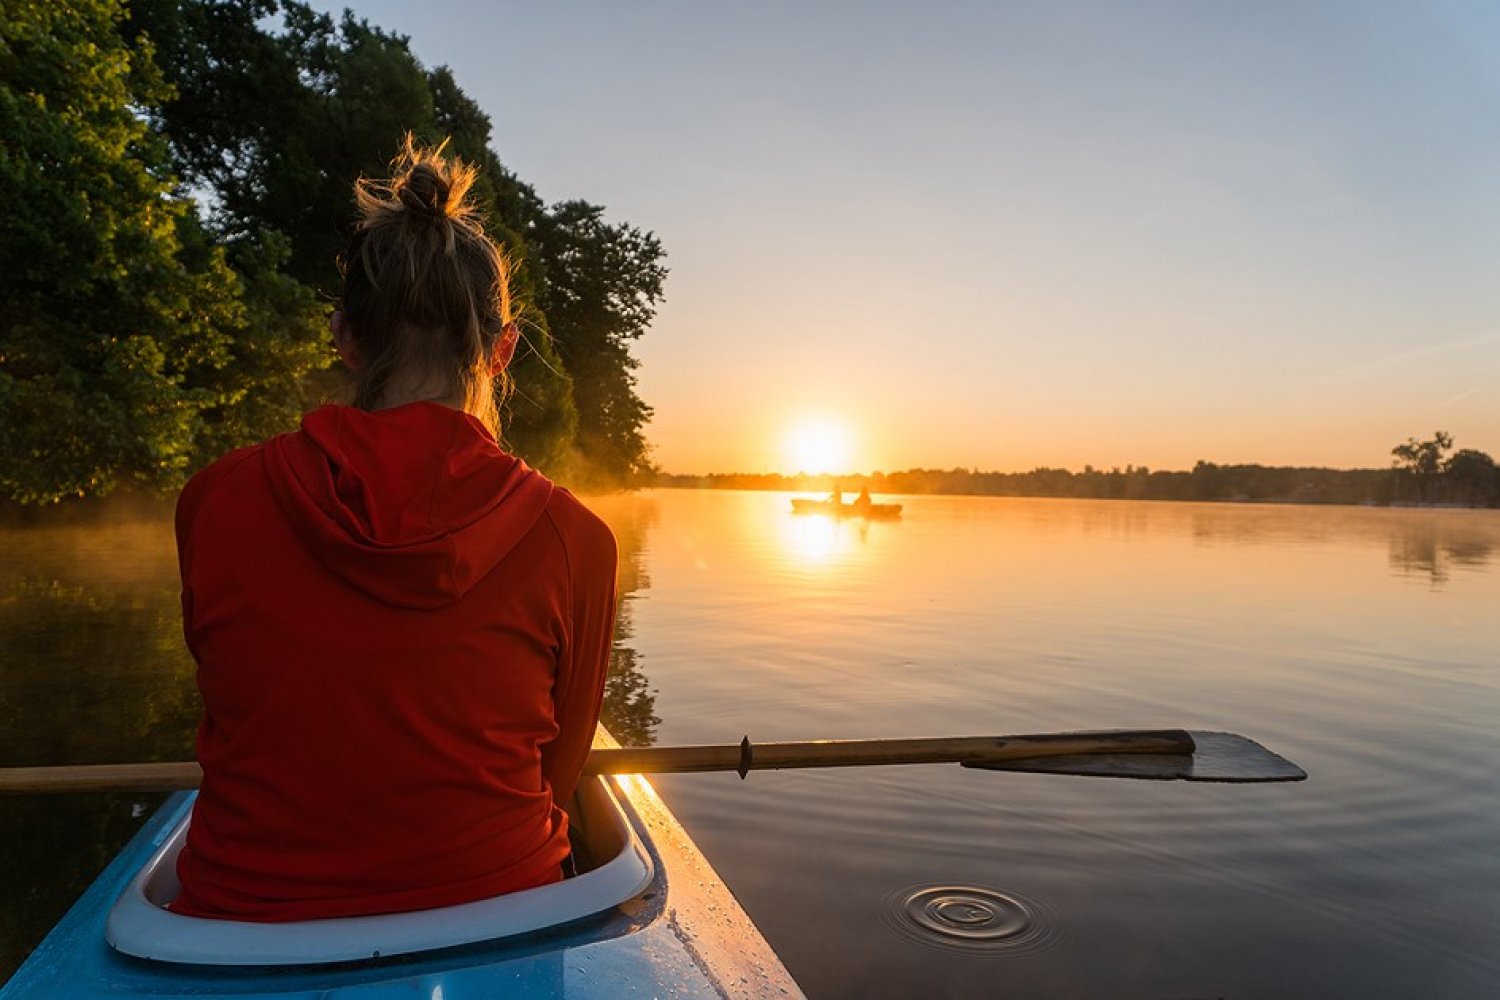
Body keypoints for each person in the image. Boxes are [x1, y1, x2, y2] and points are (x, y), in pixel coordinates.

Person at [171, 137, 618, 921]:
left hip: (238, 923)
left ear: (345, 337)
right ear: (503, 352)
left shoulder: (212, 501)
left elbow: (231, 703)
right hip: (503, 913)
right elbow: (559, 768)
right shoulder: (577, 540)